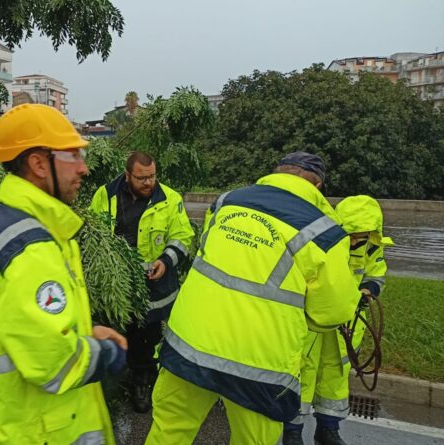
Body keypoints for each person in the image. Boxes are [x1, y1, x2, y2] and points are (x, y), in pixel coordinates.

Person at [0, 104, 127, 445]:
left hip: (2, 421)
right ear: (39, 164)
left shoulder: (14, 227)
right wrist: (108, 355)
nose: (84, 168)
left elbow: (23, 327)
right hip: (22, 430)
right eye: (73, 155)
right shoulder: (30, 247)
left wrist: (84, 331)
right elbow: (55, 363)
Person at [146, 152, 361, 445]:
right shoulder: (325, 232)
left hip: (189, 346)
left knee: (168, 433)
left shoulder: (226, 202)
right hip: (259, 366)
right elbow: (332, 313)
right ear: (318, 186)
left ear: (276, 174)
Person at [283, 195, 393, 445]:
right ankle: (292, 431)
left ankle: (328, 429)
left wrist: (369, 291)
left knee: (336, 373)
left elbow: (376, 273)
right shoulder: (324, 243)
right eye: (351, 234)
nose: (356, 240)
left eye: (361, 235)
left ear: (372, 232)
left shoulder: (373, 245)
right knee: (302, 371)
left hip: (347, 322)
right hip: (314, 319)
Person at [89, 152, 195, 413]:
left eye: (152, 176)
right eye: (142, 178)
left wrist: (166, 261)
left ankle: (142, 382)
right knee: (117, 335)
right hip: (116, 287)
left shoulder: (170, 199)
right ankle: (114, 382)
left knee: (146, 340)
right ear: (128, 175)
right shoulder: (106, 194)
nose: (148, 183)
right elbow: (93, 231)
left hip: (155, 289)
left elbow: (182, 236)